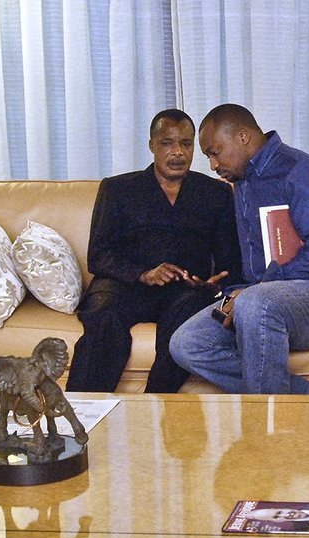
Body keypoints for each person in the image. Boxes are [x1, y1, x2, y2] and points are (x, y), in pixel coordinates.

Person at [169, 104, 309, 395]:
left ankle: (265, 433)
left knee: (253, 302)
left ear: (243, 137)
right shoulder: (242, 179)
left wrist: (258, 288)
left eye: (215, 152)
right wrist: (235, 289)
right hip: (261, 298)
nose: (212, 164)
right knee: (186, 343)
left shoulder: (299, 171)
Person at [65, 109, 241, 394]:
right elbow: (99, 255)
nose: (177, 153)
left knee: (187, 319)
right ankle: (79, 415)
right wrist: (143, 274)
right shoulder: (117, 189)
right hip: (124, 285)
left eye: (185, 144)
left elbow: (229, 261)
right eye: (167, 143)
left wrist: (213, 283)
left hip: (182, 290)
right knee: (104, 320)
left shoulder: (216, 193)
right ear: (152, 146)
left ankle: (155, 408)